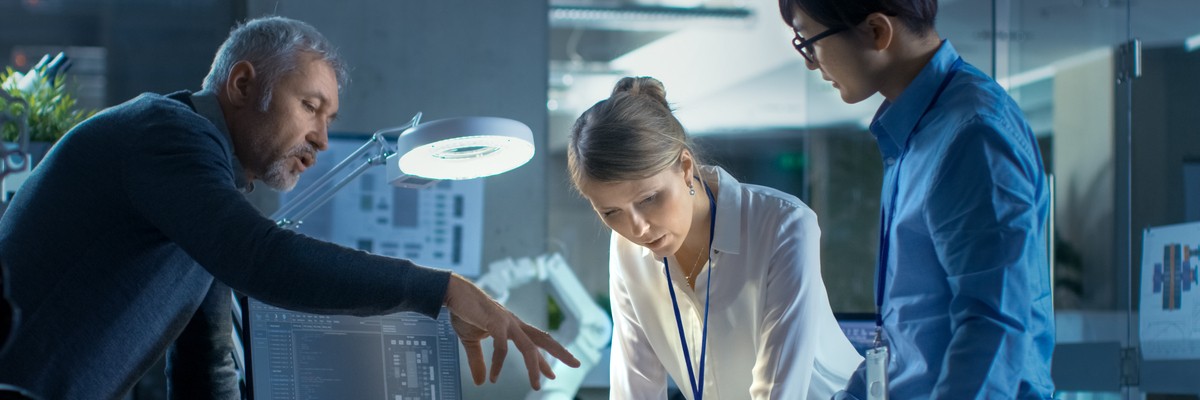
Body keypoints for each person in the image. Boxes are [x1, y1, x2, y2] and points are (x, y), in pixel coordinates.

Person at [0, 16, 578, 399]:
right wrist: (442, 288)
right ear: (244, 84)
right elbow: (261, 258)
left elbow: (207, 368)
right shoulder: (164, 135)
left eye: (329, 119)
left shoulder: (202, 194)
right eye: (310, 107)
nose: (323, 140)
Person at [776, 0, 1055, 399]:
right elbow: (906, 342)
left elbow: (993, 326)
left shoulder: (972, 135)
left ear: (877, 31)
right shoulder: (914, 135)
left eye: (810, 41)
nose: (810, 62)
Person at [567, 76, 862, 400]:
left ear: (685, 166)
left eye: (649, 198)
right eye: (611, 213)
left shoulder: (783, 225)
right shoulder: (626, 250)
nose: (637, 228)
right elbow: (634, 389)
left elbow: (779, 392)